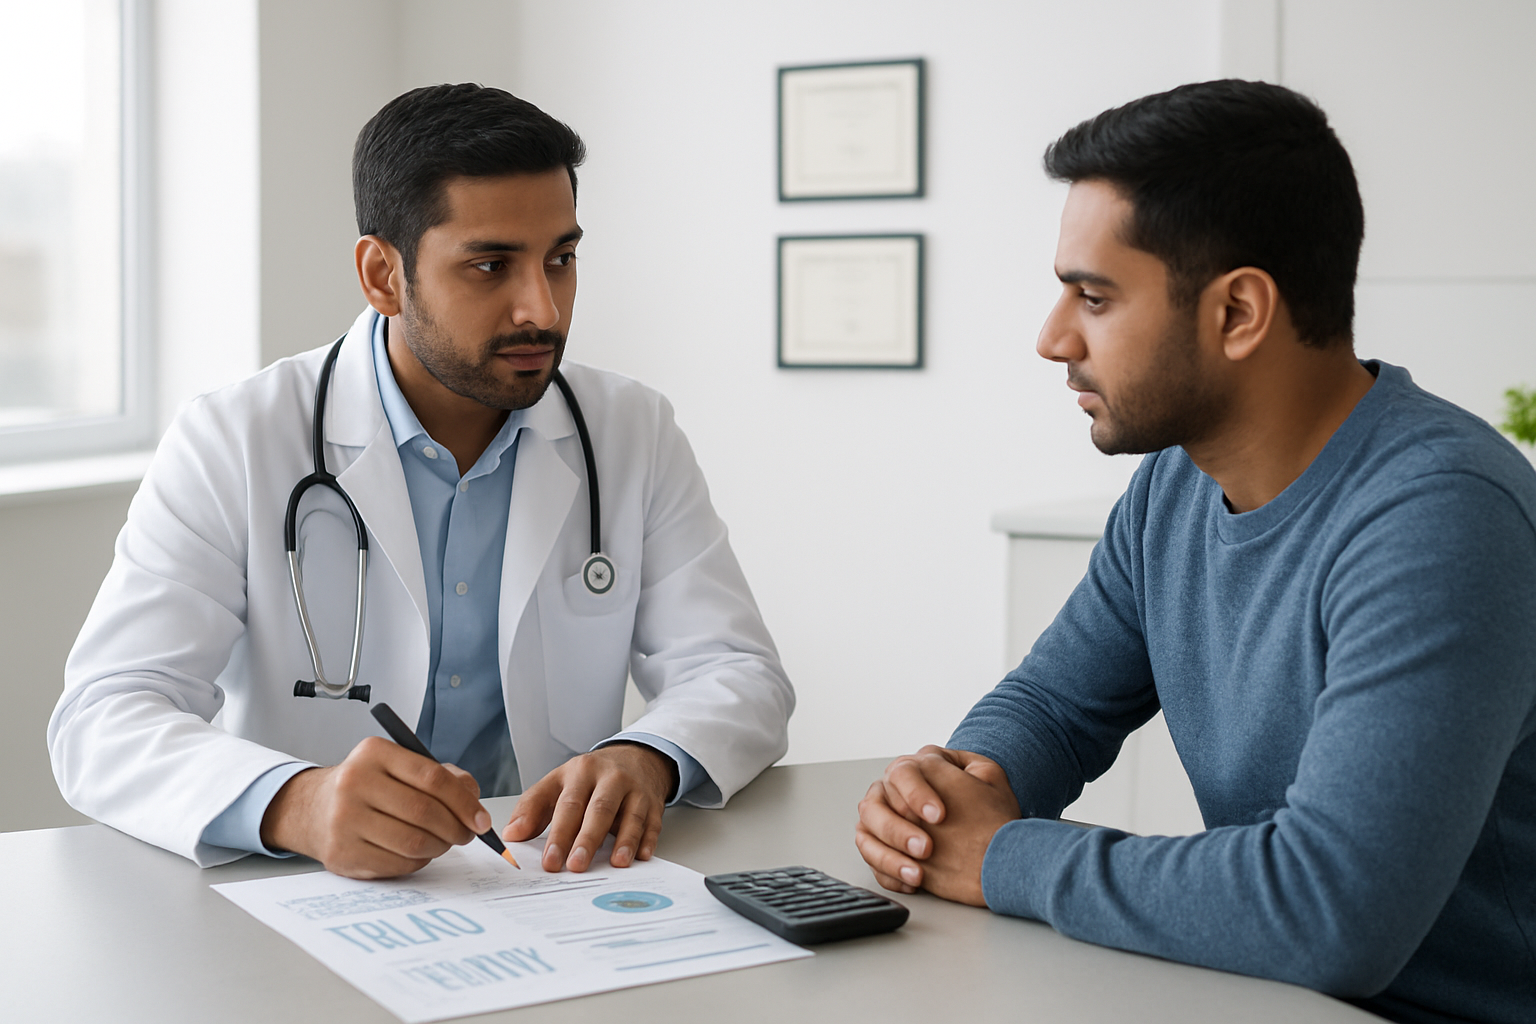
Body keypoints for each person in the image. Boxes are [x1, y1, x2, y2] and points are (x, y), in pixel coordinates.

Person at [854, 80, 1535, 1024]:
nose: (1052, 339)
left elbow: (1328, 909)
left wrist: (1000, 855)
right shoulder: (1177, 485)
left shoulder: (1440, 520)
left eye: (1093, 297)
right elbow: (1057, 703)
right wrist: (951, 797)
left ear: (1239, 312)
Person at [49, 84, 794, 881]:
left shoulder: (630, 429)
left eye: (561, 259)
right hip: (310, 895)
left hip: (552, 887)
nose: (541, 308)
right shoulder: (235, 437)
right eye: (490, 265)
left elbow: (737, 671)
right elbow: (104, 718)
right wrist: (297, 802)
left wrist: (647, 755)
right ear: (382, 274)